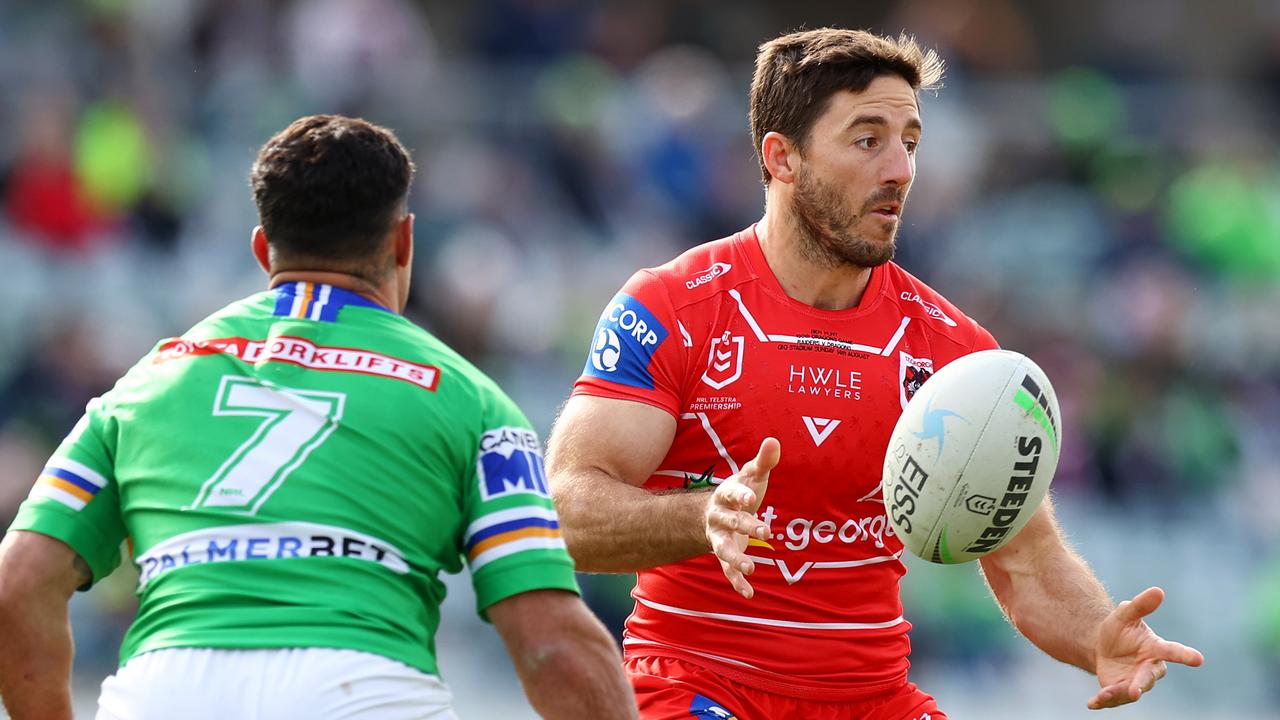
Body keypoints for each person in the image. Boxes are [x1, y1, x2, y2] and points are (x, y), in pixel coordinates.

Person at [546, 28, 1203, 720]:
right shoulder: (673, 307)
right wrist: (697, 516)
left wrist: (1096, 633)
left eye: (910, 142)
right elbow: (564, 512)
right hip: (698, 688)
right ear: (783, 158)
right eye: (868, 140)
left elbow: (1028, 562)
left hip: (873, 698)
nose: (901, 170)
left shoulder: (955, 351)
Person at [0, 115, 637, 720]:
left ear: (261, 249)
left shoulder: (144, 386)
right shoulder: (470, 399)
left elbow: (18, 585)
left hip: (165, 690)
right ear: (404, 240)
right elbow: (551, 641)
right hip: (360, 691)